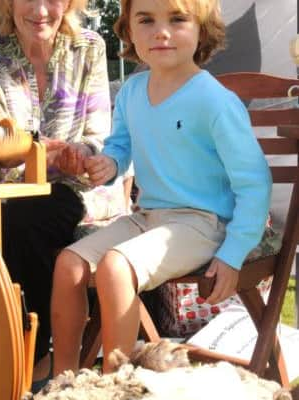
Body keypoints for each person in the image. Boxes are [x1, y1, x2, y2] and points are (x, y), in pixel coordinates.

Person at [51, 0, 272, 375]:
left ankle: (114, 392)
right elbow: (120, 147)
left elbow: (254, 183)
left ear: (202, 28)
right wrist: (109, 164)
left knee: (115, 267)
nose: (161, 31)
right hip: (149, 217)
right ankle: (65, 382)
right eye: (146, 20)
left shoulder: (214, 100)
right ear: (129, 30)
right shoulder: (132, 92)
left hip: (203, 223)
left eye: (177, 19)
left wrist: (233, 253)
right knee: (69, 264)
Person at [0, 0, 130, 386]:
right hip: (11, 187)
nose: (42, 10)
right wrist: (42, 154)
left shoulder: (89, 46)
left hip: (80, 188)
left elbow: (97, 134)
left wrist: (79, 155)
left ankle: (34, 355)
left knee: (27, 219)